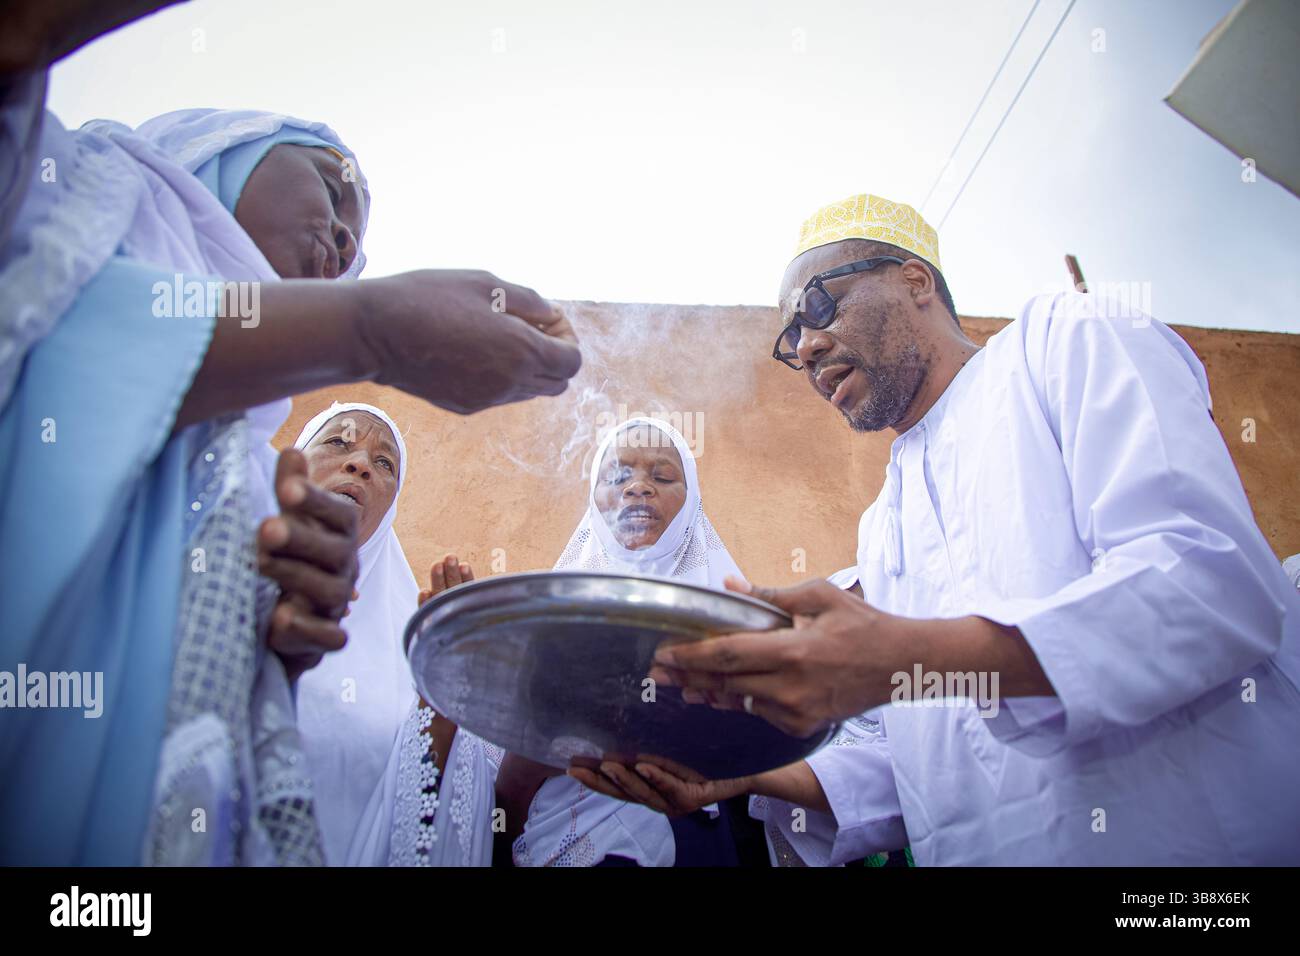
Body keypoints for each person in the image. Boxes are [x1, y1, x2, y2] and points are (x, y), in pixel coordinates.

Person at [0, 7, 580, 863]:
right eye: (334, 188)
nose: (346, 242)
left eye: (360, 257)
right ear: (214, 149)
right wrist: (371, 328)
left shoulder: (235, 450)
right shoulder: (55, 185)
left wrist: (267, 647)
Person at [611, 193, 1300, 864]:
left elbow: (1208, 585)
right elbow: (932, 766)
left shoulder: (1060, 342)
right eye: (791, 339)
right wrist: (748, 776)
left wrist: (908, 655)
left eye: (819, 305)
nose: (809, 345)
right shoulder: (883, 525)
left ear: (915, 281)